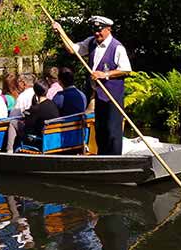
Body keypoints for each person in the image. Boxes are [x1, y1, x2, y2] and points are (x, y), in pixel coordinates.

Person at [54, 16, 131, 155]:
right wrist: (61, 32)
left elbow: (126, 70)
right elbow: (73, 49)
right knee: (100, 131)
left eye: (100, 30)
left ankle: (114, 161)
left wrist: (105, 75)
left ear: (108, 29)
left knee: (112, 132)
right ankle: (102, 159)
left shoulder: (117, 47)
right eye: (95, 31)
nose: (97, 34)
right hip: (98, 95)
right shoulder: (91, 42)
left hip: (112, 96)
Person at [5, 81, 60, 153]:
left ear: (35, 92)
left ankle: (9, 150)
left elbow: (28, 126)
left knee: (13, 123)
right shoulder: (53, 104)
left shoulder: (36, 108)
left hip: (38, 138)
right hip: (52, 137)